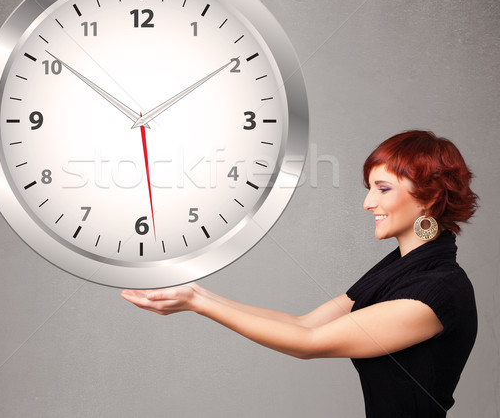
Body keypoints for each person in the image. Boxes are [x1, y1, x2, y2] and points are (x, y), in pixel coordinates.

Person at [121, 130, 479, 417]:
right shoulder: (398, 269)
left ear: (429, 197)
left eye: (383, 189)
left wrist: (199, 304)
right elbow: (306, 324)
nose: (368, 202)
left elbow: (308, 345)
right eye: (369, 188)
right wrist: (198, 295)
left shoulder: (439, 289)